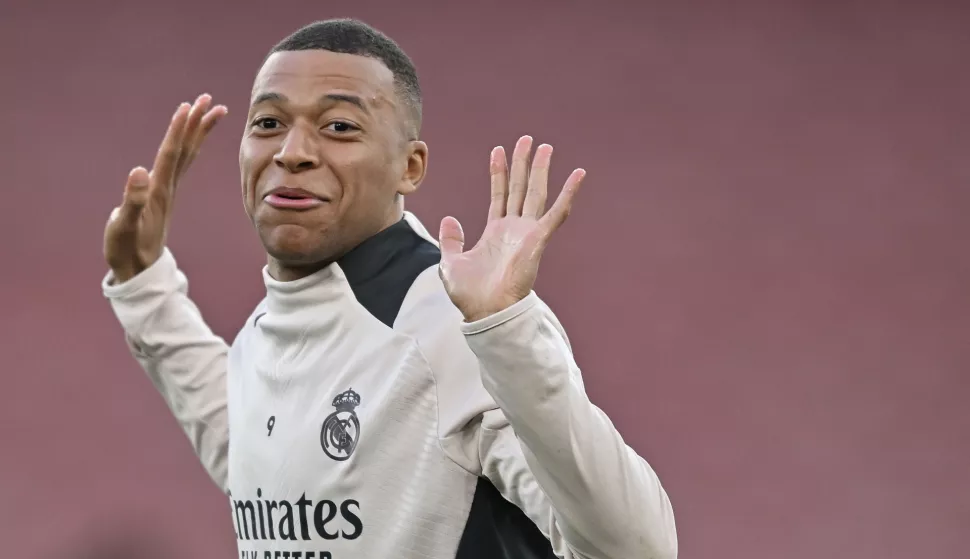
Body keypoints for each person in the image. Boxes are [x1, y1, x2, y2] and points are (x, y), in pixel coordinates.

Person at [101, 18, 677, 559]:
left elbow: (638, 548)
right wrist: (142, 283)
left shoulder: (454, 323)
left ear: (410, 167)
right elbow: (258, 460)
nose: (292, 152)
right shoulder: (269, 330)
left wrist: (507, 333)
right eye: (269, 123)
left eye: (339, 127)